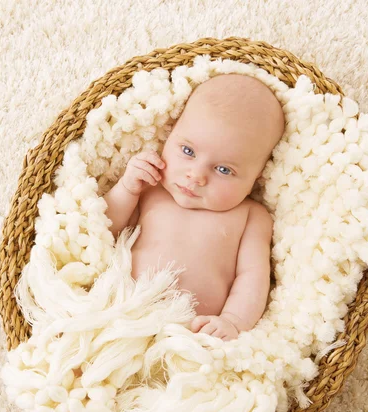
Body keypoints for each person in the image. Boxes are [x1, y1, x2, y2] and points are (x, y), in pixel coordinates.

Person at [104, 74, 286, 341]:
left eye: (224, 169)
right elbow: (104, 229)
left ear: (257, 177)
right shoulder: (150, 189)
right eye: (188, 151)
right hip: (121, 313)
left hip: (190, 336)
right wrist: (126, 189)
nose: (196, 175)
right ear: (170, 134)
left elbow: (253, 278)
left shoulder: (250, 217)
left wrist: (232, 322)